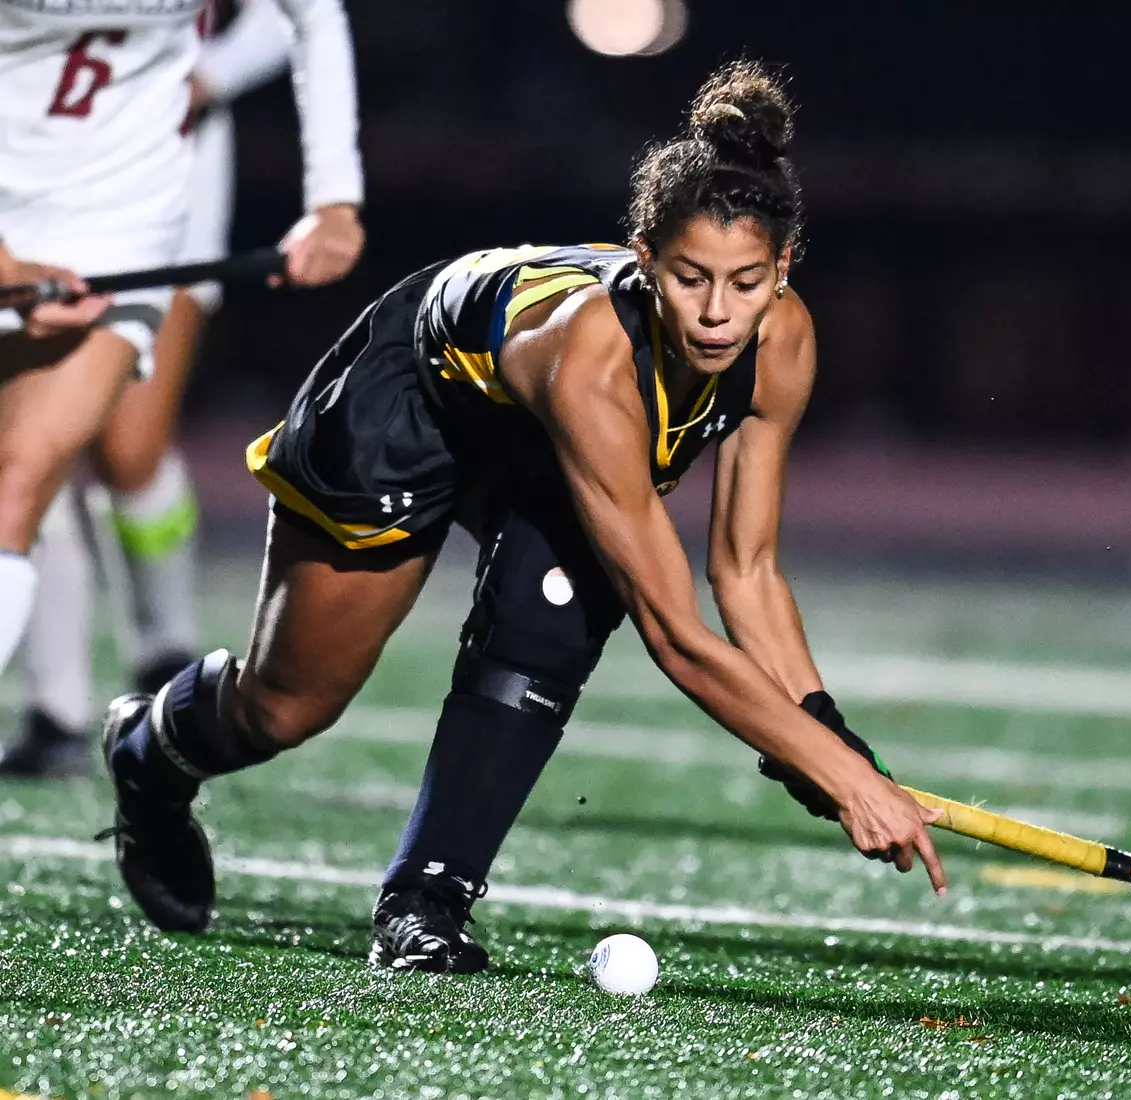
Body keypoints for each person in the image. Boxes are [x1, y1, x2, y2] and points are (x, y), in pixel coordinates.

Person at [101, 60, 948, 972]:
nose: (715, 315)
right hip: (411, 403)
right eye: (689, 278)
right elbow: (679, 636)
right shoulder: (590, 362)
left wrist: (824, 733)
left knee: (561, 603)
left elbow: (744, 571)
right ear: (643, 255)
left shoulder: (782, 344)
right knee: (285, 709)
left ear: (782, 269)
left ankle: (425, 900)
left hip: (540, 448)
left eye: (744, 283)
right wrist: (837, 774)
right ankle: (150, 750)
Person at [0, 0, 366, 710]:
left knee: (25, 479)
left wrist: (335, 198)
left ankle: (119, 673)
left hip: (120, 207)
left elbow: (314, 14)